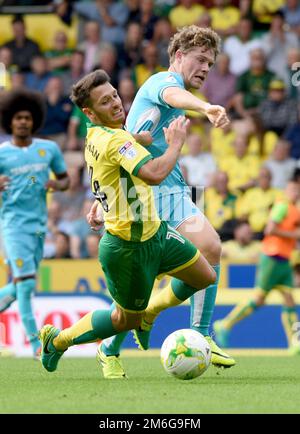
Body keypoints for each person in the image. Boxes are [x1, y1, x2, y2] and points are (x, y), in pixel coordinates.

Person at [38, 69, 216, 374]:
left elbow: (117, 146)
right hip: (128, 248)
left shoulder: (98, 134)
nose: (117, 104)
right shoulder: (116, 142)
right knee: (123, 320)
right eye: (106, 102)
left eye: (115, 96)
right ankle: (57, 341)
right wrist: (175, 143)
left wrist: (137, 138)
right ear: (89, 112)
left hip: (156, 233)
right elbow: (154, 173)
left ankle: (150, 312)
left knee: (204, 276)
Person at [100, 25, 235, 379]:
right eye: (200, 59)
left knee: (210, 248)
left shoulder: (175, 94)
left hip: (171, 191)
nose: (206, 68)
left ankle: (202, 334)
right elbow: (175, 97)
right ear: (178, 56)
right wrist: (206, 107)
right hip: (140, 196)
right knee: (137, 291)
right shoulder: (162, 83)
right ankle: (109, 347)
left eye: (211, 62)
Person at [0, 89, 69, 358]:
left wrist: (57, 184)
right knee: (26, 284)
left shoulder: (48, 149)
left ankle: (36, 345)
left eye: (27, 117)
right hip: (12, 225)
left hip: (39, 226)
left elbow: (66, 179)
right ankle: (36, 346)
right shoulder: (2, 153)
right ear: (9, 121)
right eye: (18, 117)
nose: (23, 122)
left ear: (35, 120)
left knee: (22, 286)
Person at [214, 181, 300, 355]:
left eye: (297, 190)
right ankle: (224, 324)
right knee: (259, 298)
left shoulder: (293, 210)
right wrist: (293, 235)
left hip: (284, 259)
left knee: (289, 300)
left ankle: (294, 343)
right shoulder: (282, 206)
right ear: (286, 191)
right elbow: (270, 229)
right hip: (272, 257)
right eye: (292, 189)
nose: (295, 193)